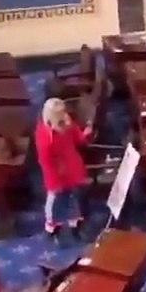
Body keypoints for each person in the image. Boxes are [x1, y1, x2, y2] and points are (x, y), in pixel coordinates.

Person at [35, 97, 93, 242]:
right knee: (54, 202)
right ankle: (53, 228)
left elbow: (78, 138)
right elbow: (46, 162)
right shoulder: (44, 136)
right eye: (60, 114)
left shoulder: (67, 122)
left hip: (72, 169)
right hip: (57, 176)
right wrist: (56, 182)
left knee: (73, 199)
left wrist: (85, 133)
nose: (64, 116)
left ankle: (75, 226)